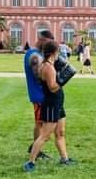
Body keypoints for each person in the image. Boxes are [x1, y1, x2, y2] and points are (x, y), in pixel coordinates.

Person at [24, 40, 75, 170]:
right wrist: (64, 79)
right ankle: (31, 162)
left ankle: (64, 159)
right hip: (51, 104)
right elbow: (52, 88)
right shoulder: (47, 67)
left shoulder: (50, 65)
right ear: (54, 52)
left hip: (58, 103)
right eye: (58, 51)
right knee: (45, 136)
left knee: (60, 132)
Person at [24, 30, 54, 162]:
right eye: (48, 42)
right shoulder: (34, 56)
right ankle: (36, 150)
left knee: (40, 123)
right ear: (41, 40)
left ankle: (35, 147)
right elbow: (39, 77)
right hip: (39, 95)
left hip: (41, 94)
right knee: (40, 123)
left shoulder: (36, 54)